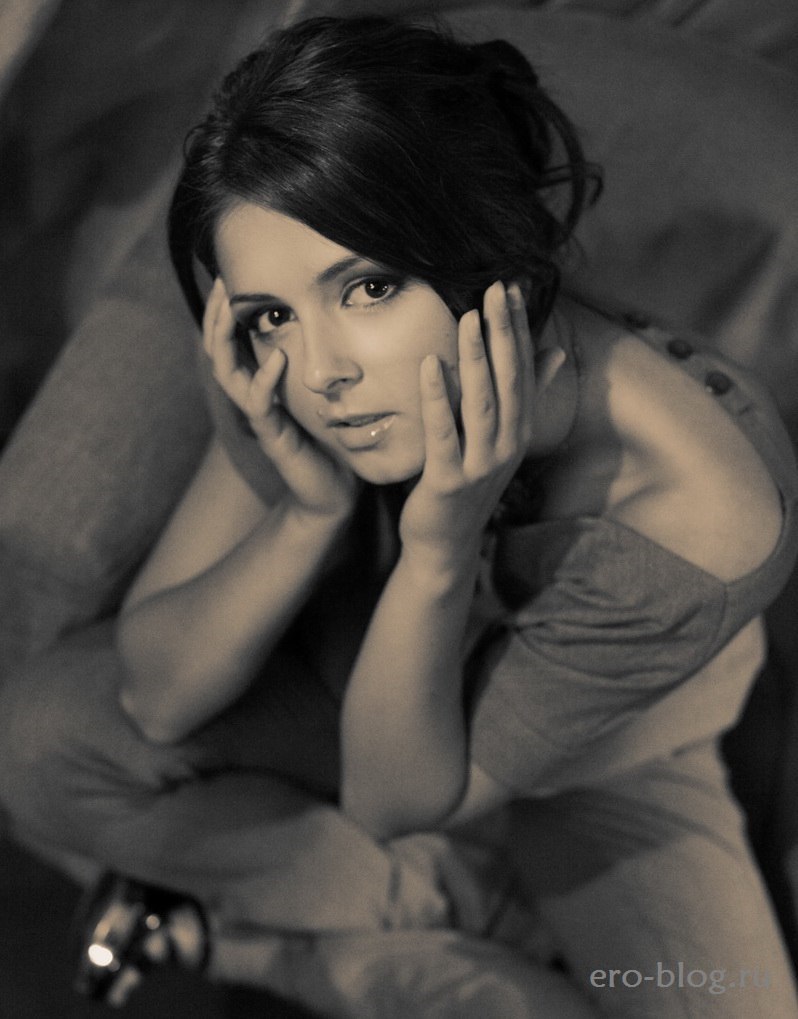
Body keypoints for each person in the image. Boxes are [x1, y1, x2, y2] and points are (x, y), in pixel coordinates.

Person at [3, 13, 798, 1017]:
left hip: (606, 764)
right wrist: (310, 511)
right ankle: (462, 907)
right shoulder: (287, 366)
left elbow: (402, 794)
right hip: (366, 695)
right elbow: (159, 696)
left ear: (494, 260)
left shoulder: (699, 511)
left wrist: (440, 544)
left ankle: (238, 939)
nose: (322, 370)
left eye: (369, 287)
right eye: (273, 313)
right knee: (44, 743)